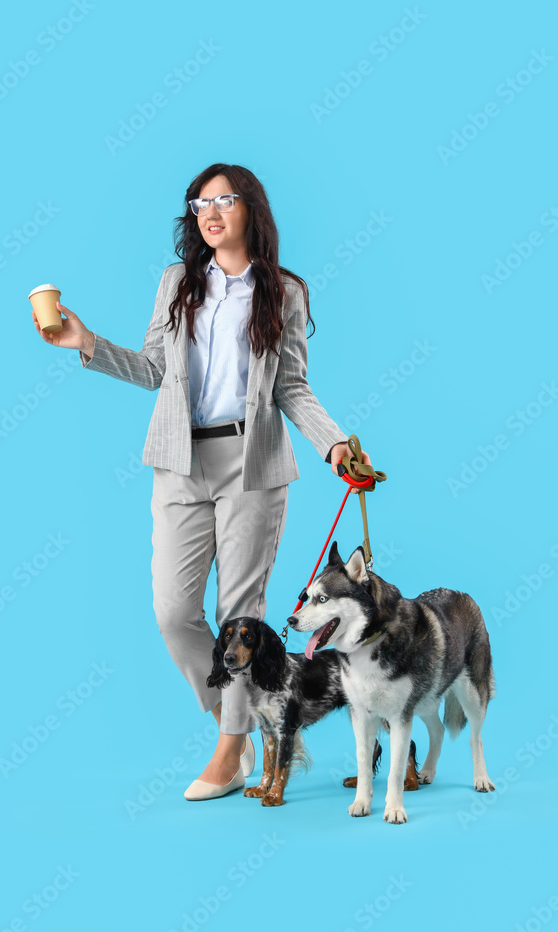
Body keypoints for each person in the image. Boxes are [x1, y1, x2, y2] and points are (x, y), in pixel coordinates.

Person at [30, 162, 371, 801]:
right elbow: (154, 368)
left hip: (254, 466)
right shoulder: (176, 283)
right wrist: (86, 341)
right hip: (179, 460)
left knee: (238, 613)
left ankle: (232, 747)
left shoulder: (285, 291)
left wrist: (334, 445)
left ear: (251, 209)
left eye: (224, 200)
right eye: (199, 203)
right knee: (173, 611)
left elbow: (292, 386)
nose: (209, 212)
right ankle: (233, 719)